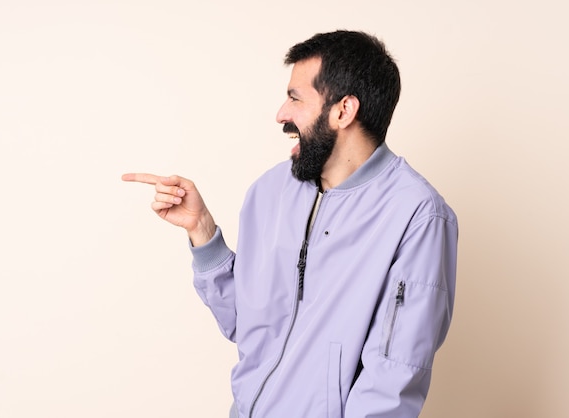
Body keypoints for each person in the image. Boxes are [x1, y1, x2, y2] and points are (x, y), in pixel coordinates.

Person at [123, 30, 458, 418]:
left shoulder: (417, 215)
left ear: (343, 110)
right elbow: (245, 324)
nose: (281, 114)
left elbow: (393, 379)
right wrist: (202, 231)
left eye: (296, 98)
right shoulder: (268, 191)